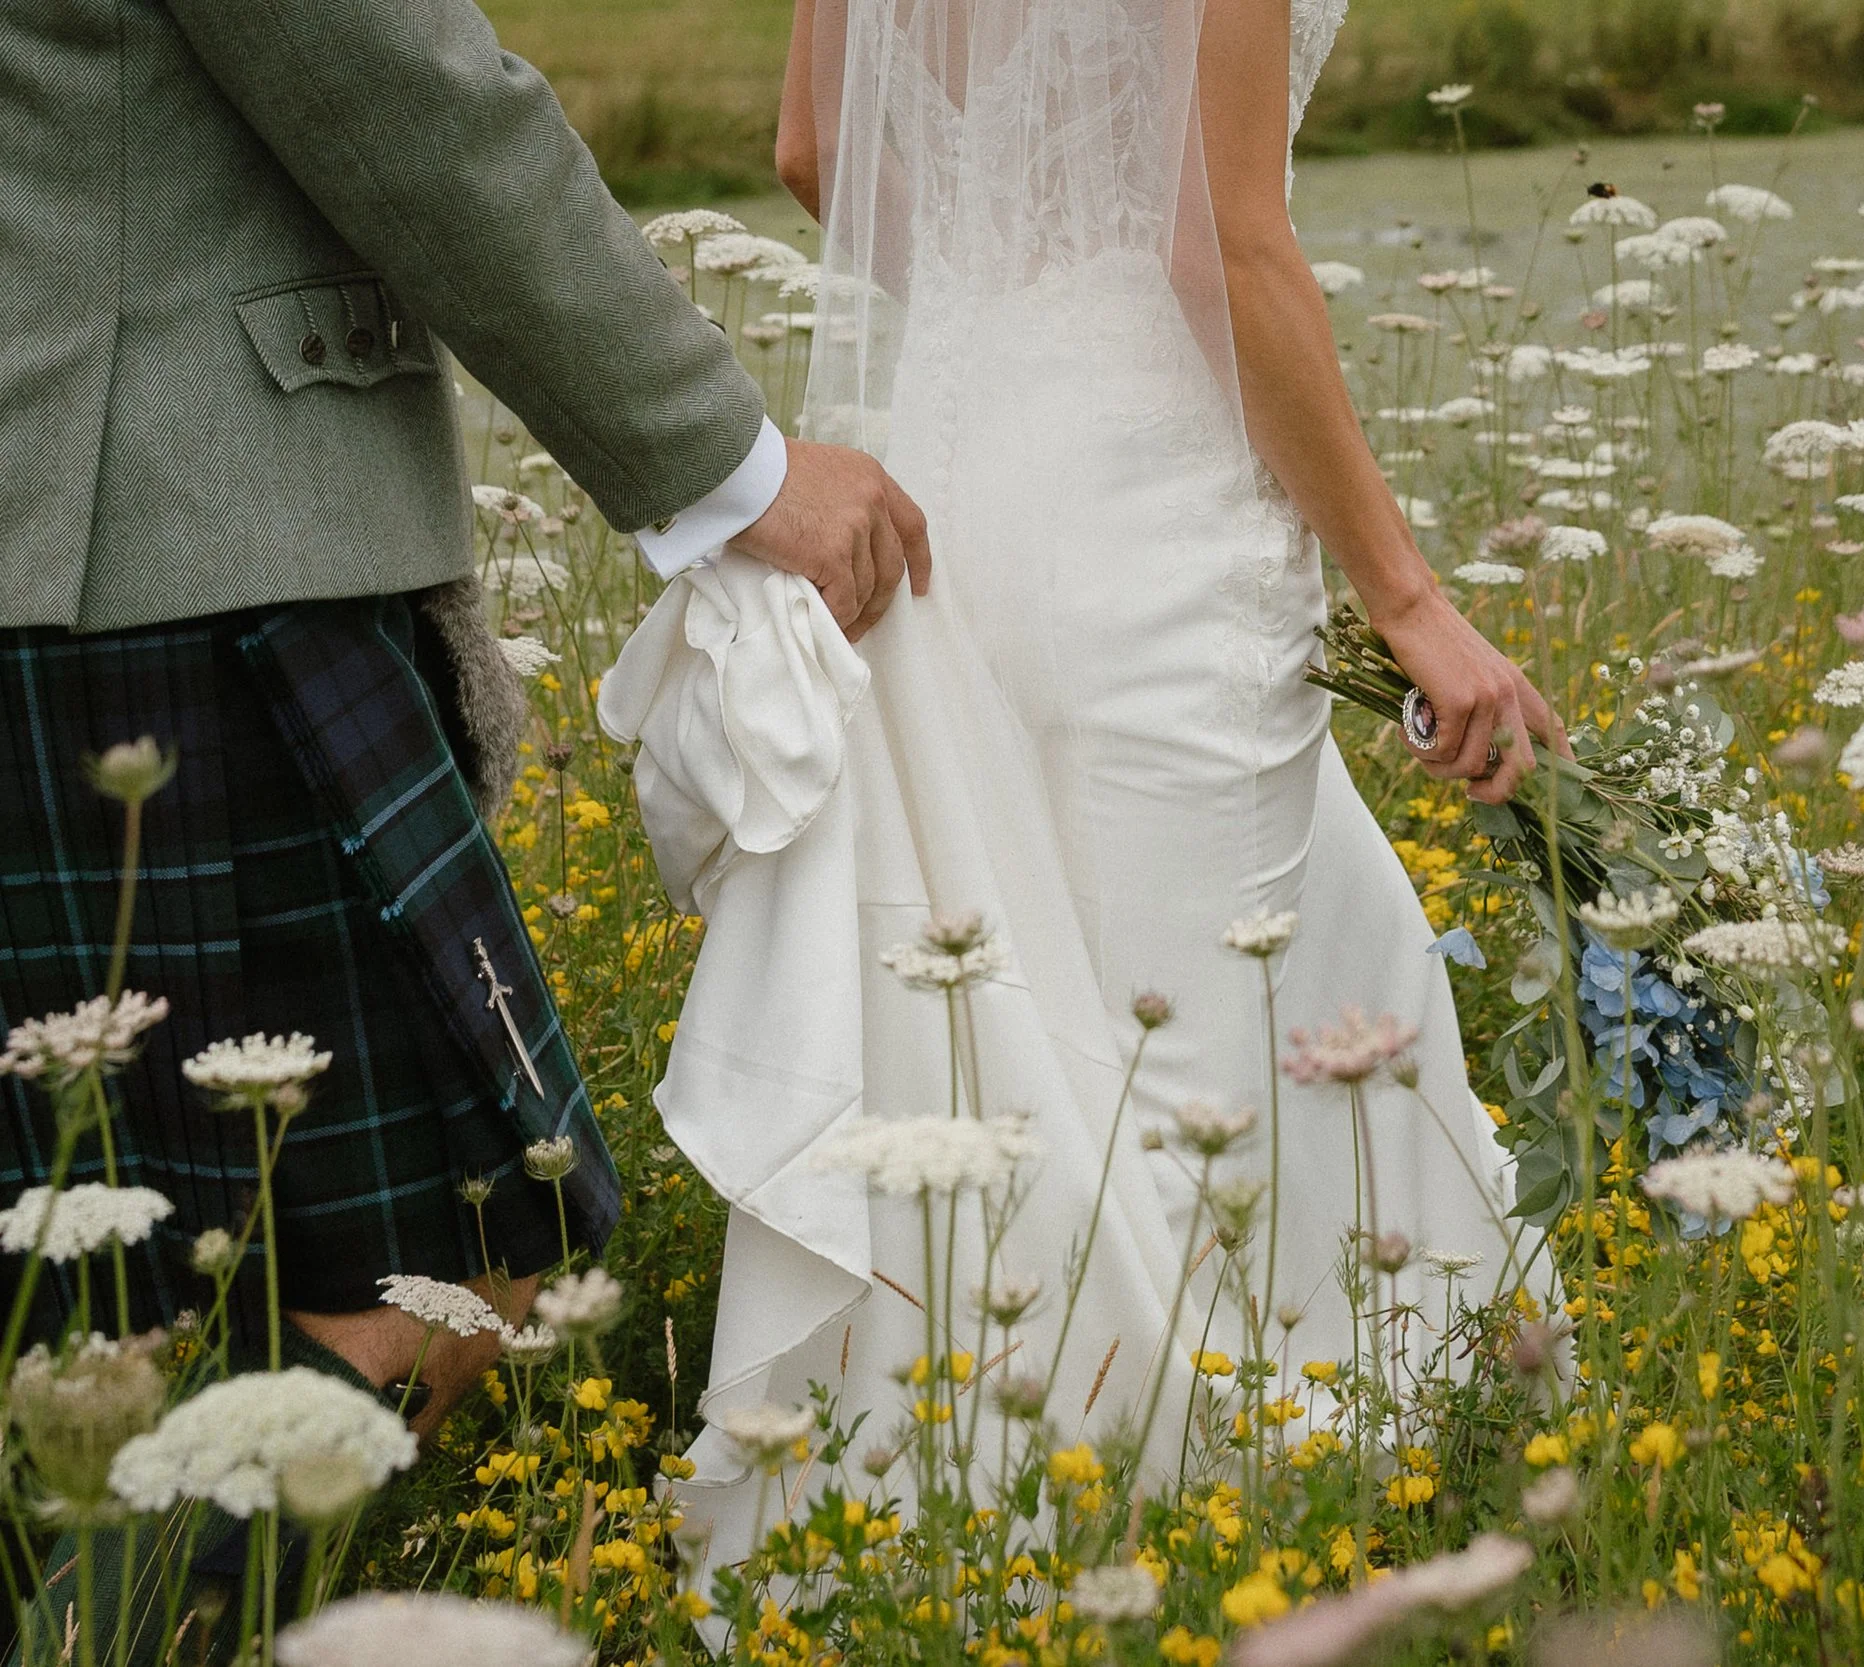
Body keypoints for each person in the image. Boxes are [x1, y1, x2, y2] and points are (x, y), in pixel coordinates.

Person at [635, 0, 1565, 1583]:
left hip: (948, 454)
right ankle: (1225, 1506)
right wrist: (1409, 599)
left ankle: (967, 1487)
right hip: (1143, 489)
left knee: (1015, 1016)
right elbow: (1226, 249)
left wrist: (1016, 284)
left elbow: (815, 147)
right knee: (1205, 1045)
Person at [0, 0, 926, 1448]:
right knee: (459, 1235)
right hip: (175, 557)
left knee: (94, 1297)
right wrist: (727, 462)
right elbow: (397, 82)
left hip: (82, 530)